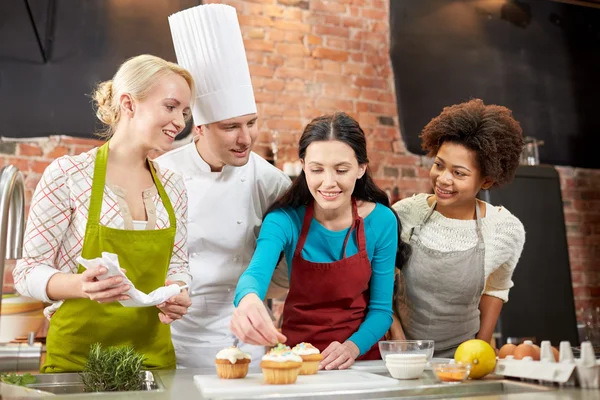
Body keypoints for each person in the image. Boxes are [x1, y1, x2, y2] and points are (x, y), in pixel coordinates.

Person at [12, 55, 194, 372]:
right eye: (170, 106)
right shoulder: (69, 175)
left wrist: (176, 291)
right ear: (129, 104)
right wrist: (81, 285)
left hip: (151, 361)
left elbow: (177, 265)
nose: (180, 121)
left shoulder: (173, 186)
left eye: (185, 112)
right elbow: (27, 272)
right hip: (78, 363)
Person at [155, 4, 291, 368]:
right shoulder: (160, 173)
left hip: (244, 340)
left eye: (252, 122)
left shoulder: (270, 181)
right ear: (199, 127)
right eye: (231, 126)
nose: (245, 138)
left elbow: (284, 271)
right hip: (169, 338)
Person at [231, 112, 411, 370]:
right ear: (303, 166)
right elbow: (255, 274)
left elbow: (381, 311)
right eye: (317, 169)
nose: (328, 183)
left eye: (341, 170)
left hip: (362, 362)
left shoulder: (381, 220)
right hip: (298, 362)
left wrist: (351, 347)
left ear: (361, 169)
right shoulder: (284, 220)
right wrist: (248, 300)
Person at [390, 98, 526, 357]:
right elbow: (380, 280)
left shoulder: (505, 230)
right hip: (401, 353)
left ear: (486, 180)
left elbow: (497, 288)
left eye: (459, 173)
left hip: (463, 357)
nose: (443, 179)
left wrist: (479, 349)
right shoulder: (405, 213)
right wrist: (397, 339)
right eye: (439, 165)